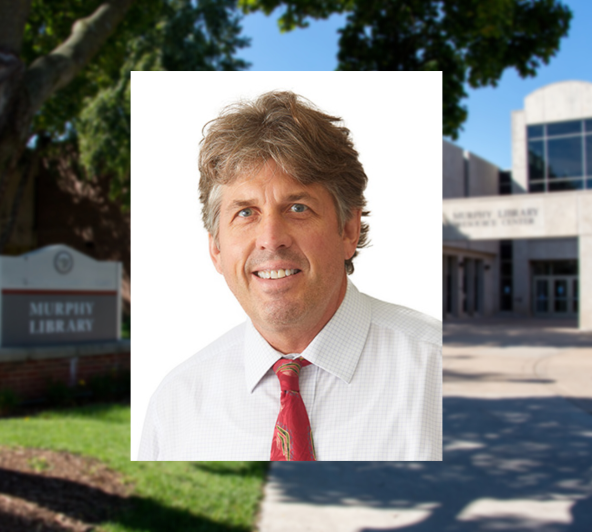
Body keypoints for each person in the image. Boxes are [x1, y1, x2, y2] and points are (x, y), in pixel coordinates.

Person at [138, 90, 441, 461]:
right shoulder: (176, 406)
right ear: (216, 248)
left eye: (298, 208)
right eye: (245, 213)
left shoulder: (440, 377)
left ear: (348, 229)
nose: (270, 239)